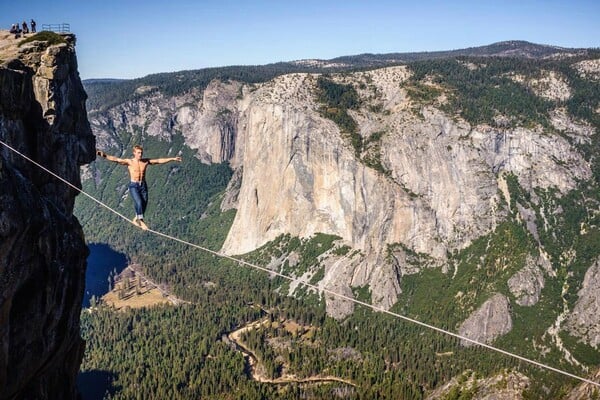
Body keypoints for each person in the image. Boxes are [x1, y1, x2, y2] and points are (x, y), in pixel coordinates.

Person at [96, 145, 182, 230]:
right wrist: (103, 155)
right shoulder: (130, 162)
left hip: (143, 185)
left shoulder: (145, 161)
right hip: (134, 185)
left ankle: (136, 219)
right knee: (139, 202)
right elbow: (116, 159)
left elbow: (159, 161)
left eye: (141, 153)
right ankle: (141, 221)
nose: (140, 154)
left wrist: (172, 159)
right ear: (134, 153)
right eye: (138, 153)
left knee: (144, 203)